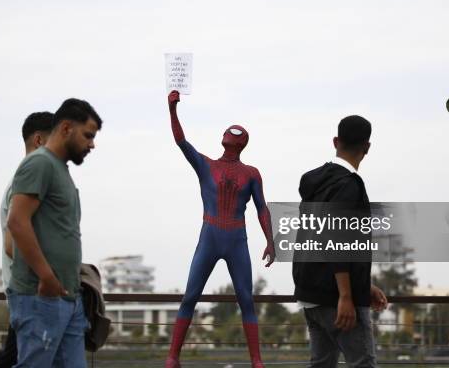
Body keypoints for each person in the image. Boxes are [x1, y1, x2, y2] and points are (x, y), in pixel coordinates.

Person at [165, 90, 275, 368]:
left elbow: (263, 208)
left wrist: (270, 241)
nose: (233, 135)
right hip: (216, 235)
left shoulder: (250, 173)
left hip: (232, 237)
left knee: (245, 300)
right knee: (192, 296)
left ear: (241, 142)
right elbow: (181, 141)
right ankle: (172, 356)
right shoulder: (208, 166)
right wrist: (173, 110)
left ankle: (256, 360)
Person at [6, 99, 102, 368]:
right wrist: (47, 277)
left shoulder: (59, 169)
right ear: (66, 128)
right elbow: (17, 222)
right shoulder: (39, 164)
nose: (92, 144)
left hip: (68, 298)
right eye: (88, 135)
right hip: (41, 297)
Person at [292, 115, 387, 368]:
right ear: (367, 147)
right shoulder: (349, 186)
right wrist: (347, 295)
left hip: (309, 293)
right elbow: (336, 239)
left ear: (336, 141)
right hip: (336, 297)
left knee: (322, 364)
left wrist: (363, 284)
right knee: (362, 363)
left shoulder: (315, 182)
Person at [0, 111, 54, 368]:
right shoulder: (26, 183)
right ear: (40, 141)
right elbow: (12, 246)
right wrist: (49, 276)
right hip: (31, 295)